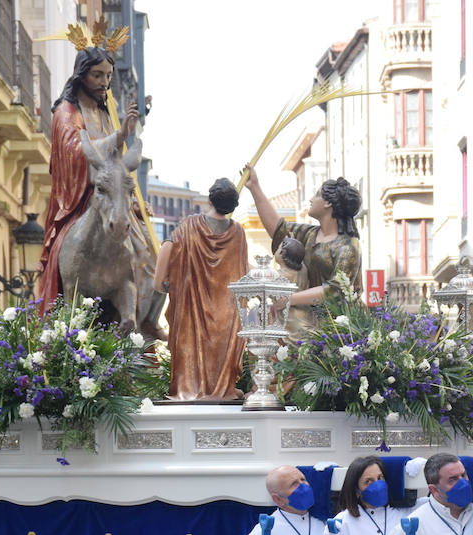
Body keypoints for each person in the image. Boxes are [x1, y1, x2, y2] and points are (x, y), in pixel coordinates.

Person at [36, 45, 145, 315]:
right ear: (81, 75)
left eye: (108, 76)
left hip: (111, 193)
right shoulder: (66, 111)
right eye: (98, 75)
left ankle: (145, 317)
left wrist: (123, 137)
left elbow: (116, 161)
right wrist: (119, 136)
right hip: (79, 197)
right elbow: (75, 152)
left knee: (146, 254)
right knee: (72, 245)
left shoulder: (103, 113)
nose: (104, 83)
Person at [151, 178, 249, 401]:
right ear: (233, 206)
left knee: (191, 348)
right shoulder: (238, 233)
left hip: (192, 308)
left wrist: (161, 281)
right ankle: (223, 389)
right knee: (222, 351)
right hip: (226, 311)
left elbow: (168, 246)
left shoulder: (189, 225)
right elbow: (242, 273)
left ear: (210, 199)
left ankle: (192, 388)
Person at [245, 168, 363, 307]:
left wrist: (289, 299)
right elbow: (278, 229)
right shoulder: (310, 234)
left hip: (341, 322)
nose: (311, 199)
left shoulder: (348, 245)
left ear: (328, 203)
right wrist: (254, 187)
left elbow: (336, 290)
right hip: (311, 315)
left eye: (317, 195)